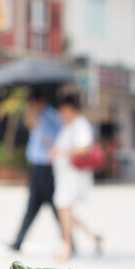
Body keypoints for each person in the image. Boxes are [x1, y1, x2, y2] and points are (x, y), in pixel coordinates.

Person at [51, 93, 102, 259]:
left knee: (62, 206)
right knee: (65, 210)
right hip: (67, 176)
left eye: (62, 111)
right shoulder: (70, 126)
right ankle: (93, 235)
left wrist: (61, 151)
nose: (61, 114)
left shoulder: (80, 124)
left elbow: (84, 148)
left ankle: (67, 244)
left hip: (74, 175)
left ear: (69, 109)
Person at [9, 90, 61, 251]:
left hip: (46, 167)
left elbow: (54, 138)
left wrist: (42, 128)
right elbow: (30, 127)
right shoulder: (36, 115)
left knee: (50, 205)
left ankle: (69, 241)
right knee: (36, 206)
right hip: (37, 168)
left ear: (39, 101)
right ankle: (18, 241)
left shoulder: (50, 115)